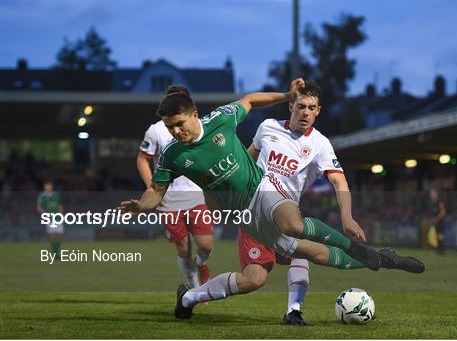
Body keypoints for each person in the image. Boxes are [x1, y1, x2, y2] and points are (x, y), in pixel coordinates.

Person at [118, 78, 425, 320]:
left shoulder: (221, 120)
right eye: (170, 127)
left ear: (194, 115)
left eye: (180, 124)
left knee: (292, 223)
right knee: (282, 268)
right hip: (246, 218)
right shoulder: (172, 154)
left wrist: (285, 95)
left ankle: (361, 253)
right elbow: (154, 193)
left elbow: (249, 100)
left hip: (264, 191)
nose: (176, 131)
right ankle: (187, 298)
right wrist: (139, 205)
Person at [240, 80, 358, 325]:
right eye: (301, 106)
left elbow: (339, 181)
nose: (305, 112)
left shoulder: (320, 144)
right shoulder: (267, 127)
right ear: (290, 105)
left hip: (286, 215)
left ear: (318, 111)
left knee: (300, 251)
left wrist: (347, 216)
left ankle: (294, 310)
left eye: (311, 108)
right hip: (255, 213)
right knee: (253, 280)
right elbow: (247, 160)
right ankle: (190, 297)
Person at [137, 86, 214, 287]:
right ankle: (195, 289)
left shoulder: (200, 127)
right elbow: (143, 159)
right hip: (169, 199)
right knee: (182, 246)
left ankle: (202, 264)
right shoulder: (156, 130)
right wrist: (152, 188)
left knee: (206, 245)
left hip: (195, 195)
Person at [37, 180, 63, 260]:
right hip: (50, 218)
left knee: (59, 235)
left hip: (58, 218)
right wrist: (45, 214)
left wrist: (61, 212)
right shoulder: (42, 195)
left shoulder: (56, 195)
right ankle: (55, 254)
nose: (48, 187)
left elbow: (60, 205)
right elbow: (38, 207)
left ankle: (56, 253)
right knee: (52, 235)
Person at [428, 188, 447, 255]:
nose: (432, 195)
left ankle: (441, 251)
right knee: (435, 236)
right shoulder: (431, 202)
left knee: (440, 235)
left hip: (440, 221)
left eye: (433, 193)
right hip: (435, 222)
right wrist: (432, 219)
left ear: (436, 194)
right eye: (431, 194)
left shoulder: (439, 201)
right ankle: (438, 250)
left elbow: (443, 212)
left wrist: (436, 219)